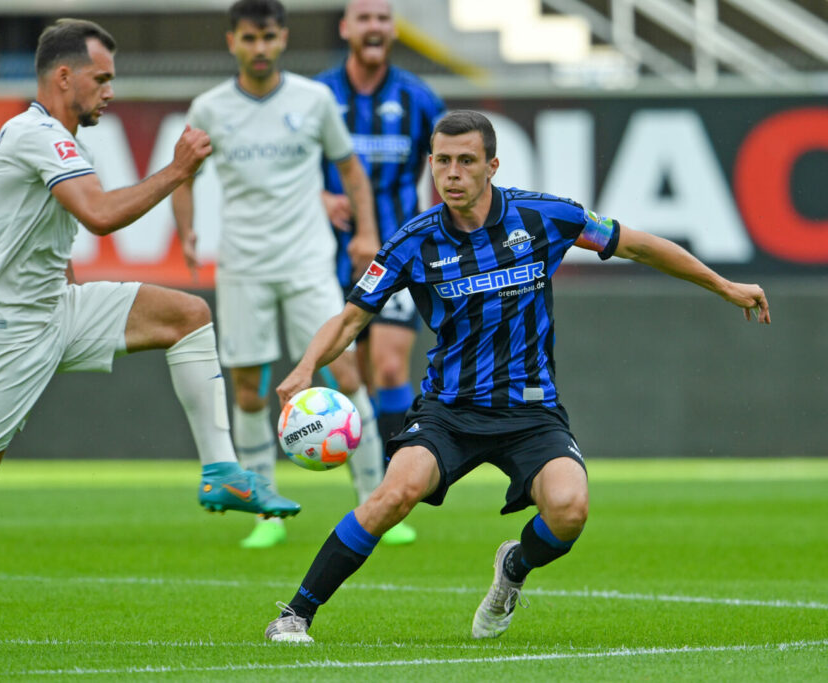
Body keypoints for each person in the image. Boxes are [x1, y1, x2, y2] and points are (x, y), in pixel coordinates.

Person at [0, 18, 301, 653]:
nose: (110, 91)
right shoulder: (36, 133)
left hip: (54, 309)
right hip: (2, 333)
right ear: (64, 76)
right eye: (102, 79)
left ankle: (221, 470)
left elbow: (46, 229)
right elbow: (99, 215)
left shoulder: (58, 139)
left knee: (186, 315)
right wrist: (177, 170)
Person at [264, 110, 771, 643]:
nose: (453, 173)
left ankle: (513, 569)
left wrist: (724, 286)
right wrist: (305, 368)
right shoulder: (412, 242)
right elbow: (351, 318)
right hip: (449, 410)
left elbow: (639, 245)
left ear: (492, 166)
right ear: (430, 164)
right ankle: (295, 614)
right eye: (442, 161)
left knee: (570, 511)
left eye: (466, 161)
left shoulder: (545, 217)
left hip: (531, 410)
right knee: (394, 494)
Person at [171, 0, 385, 550]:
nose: (260, 48)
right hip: (243, 265)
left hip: (308, 261)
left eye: (268, 37)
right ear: (232, 42)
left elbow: (350, 168)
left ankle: (377, 502)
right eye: (249, 38)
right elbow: (184, 175)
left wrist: (365, 232)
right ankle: (266, 514)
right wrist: (187, 231)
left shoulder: (314, 100)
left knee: (346, 373)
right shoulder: (210, 108)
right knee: (249, 389)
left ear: (283, 39)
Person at [314, 0, 446, 545]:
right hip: (326, 256)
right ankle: (370, 490)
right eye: (364, 18)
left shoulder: (419, 99)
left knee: (391, 367)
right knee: (354, 378)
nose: (375, 27)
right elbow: (290, 169)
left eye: (383, 18)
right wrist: (318, 195)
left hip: (400, 255)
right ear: (345, 27)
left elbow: (450, 164)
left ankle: (392, 496)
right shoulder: (319, 96)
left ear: (393, 30)